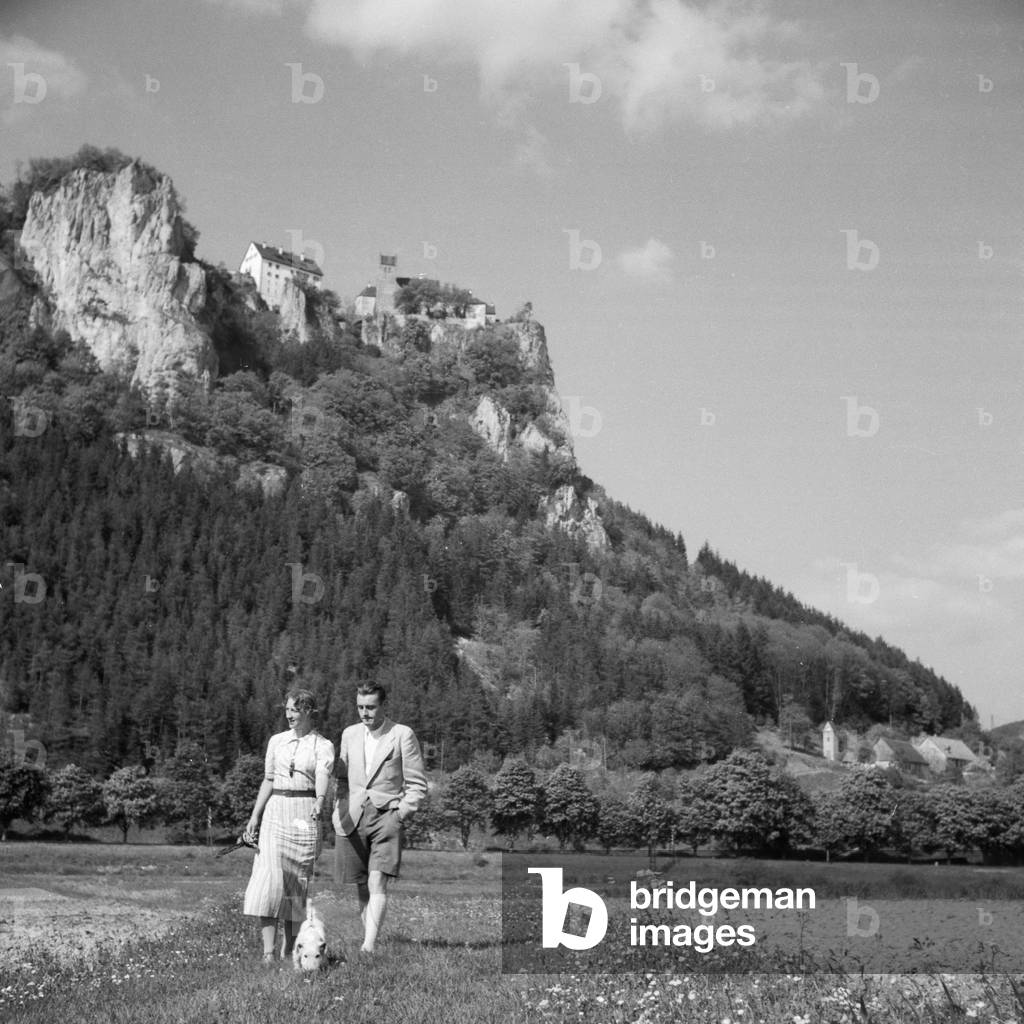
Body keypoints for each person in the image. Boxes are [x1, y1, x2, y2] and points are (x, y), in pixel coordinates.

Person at [332, 682, 427, 953]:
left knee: (377, 879)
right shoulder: (349, 734)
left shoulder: (402, 734)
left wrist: (401, 813)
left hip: (387, 814)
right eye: (361, 707)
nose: (365, 713)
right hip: (353, 814)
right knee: (362, 883)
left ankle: (368, 946)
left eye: (371, 707)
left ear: (383, 706)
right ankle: (369, 938)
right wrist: (338, 807)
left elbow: (417, 782)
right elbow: (341, 777)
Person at [243, 687, 334, 964]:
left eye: (295, 709)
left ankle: (290, 949)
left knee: (295, 887)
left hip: (304, 814)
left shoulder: (323, 745)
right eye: (287, 710)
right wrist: (254, 816)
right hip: (275, 811)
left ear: (308, 710)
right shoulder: (276, 741)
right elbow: (268, 780)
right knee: (268, 883)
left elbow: (321, 774)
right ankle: (268, 953)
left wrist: (319, 800)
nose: (289, 715)